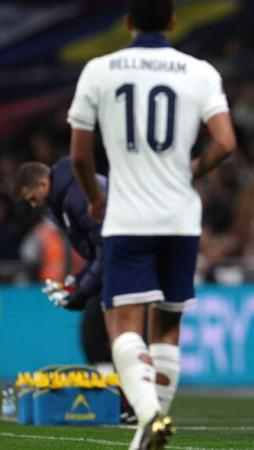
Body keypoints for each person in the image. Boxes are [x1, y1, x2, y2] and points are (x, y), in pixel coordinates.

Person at [67, 0, 237, 448]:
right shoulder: (199, 72)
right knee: (167, 326)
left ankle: (149, 416)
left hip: (128, 215)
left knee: (121, 323)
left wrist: (96, 200)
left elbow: (80, 156)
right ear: (173, 22)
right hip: (181, 216)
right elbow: (226, 142)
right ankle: (153, 420)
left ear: (126, 22)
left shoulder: (99, 70)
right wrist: (193, 170)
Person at [14, 157, 111, 370]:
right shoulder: (69, 195)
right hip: (120, 265)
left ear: (42, 183)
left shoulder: (76, 197)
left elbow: (107, 248)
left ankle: (123, 398)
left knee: (98, 340)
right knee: (100, 341)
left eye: (32, 198)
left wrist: (83, 291)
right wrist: (76, 282)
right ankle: (121, 397)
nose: (33, 205)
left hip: (125, 266)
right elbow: (100, 251)